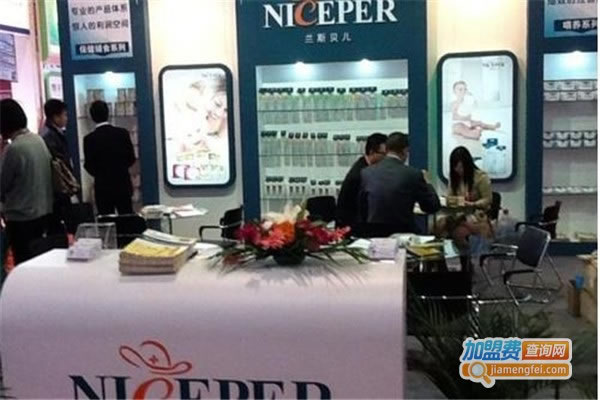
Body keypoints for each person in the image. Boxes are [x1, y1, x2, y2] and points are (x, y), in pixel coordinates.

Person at [0, 99, 53, 264]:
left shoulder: (14, 148)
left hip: (21, 218)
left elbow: (2, 184)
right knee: (38, 262)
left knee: (23, 262)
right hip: (42, 212)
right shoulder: (38, 140)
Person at [360, 132, 441, 233]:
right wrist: (428, 183)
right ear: (405, 150)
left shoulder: (367, 173)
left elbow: (362, 207)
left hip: (374, 233)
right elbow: (432, 207)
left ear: (386, 149)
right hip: (403, 233)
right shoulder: (413, 174)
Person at [84, 100, 136, 215]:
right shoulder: (122, 133)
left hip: (102, 187)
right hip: (122, 183)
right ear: (108, 113)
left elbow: (88, 165)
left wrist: (101, 174)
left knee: (106, 220)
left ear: (92, 117)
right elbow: (131, 158)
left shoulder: (89, 139)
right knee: (127, 217)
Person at [440, 146, 493, 246]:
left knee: (459, 232)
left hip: (475, 215)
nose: (458, 170)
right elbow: (450, 196)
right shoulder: (454, 177)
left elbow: (488, 199)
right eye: (455, 167)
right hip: (457, 214)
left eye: (461, 167)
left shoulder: (481, 177)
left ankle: (466, 253)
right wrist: (449, 201)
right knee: (439, 226)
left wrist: (472, 204)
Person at [336, 133, 387, 229]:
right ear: (372, 152)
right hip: (352, 227)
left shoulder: (366, 167)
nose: (386, 158)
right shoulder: (360, 174)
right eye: (384, 154)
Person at [41, 99, 75, 233]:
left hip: (59, 188)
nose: (66, 118)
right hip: (58, 188)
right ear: (55, 117)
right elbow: (59, 164)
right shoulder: (49, 136)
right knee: (59, 225)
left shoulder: (53, 133)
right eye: (64, 115)